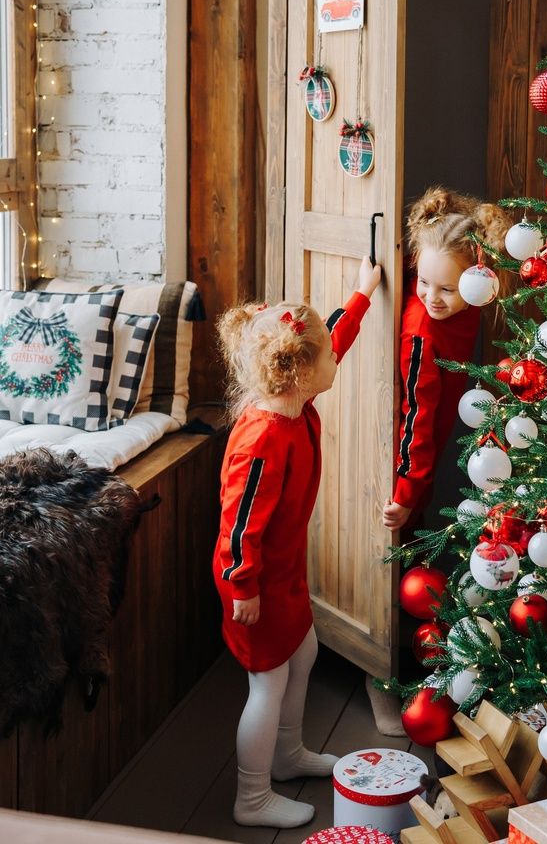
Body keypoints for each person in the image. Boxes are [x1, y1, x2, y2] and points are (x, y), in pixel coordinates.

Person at [214, 256, 382, 829]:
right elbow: (238, 525)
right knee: (269, 682)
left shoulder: (294, 399)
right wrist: (243, 586)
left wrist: (360, 296)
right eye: (328, 357)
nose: (336, 356)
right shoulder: (264, 438)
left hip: (282, 571)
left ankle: (286, 756)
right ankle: (252, 795)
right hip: (251, 579)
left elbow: (331, 335)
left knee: (304, 650)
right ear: (301, 372)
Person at [367, 186, 512, 735]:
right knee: (392, 563)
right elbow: (414, 426)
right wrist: (405, 493)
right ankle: (380, 674)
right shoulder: (422, 333)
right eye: (422, 282)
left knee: (411, 555)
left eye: (447, 288)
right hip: (401, 464)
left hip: (421, 461)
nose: (430, 295)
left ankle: (408, 660)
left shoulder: (467, 306)